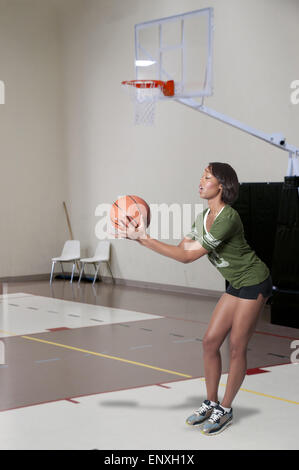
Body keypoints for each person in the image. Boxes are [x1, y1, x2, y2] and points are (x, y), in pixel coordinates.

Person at [113, 162, 273, 436]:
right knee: (210, 342)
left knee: (236, 347)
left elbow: (188, 258)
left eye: (207, 177)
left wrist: (145, 238)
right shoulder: (202, 218)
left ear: (221, 186)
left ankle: (225, 408)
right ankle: (210, 403)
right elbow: (181, 249)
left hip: (254, 281)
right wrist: (140, 239)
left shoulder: (228, 217)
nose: (201, 181)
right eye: (202, 176)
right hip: (235, 283)